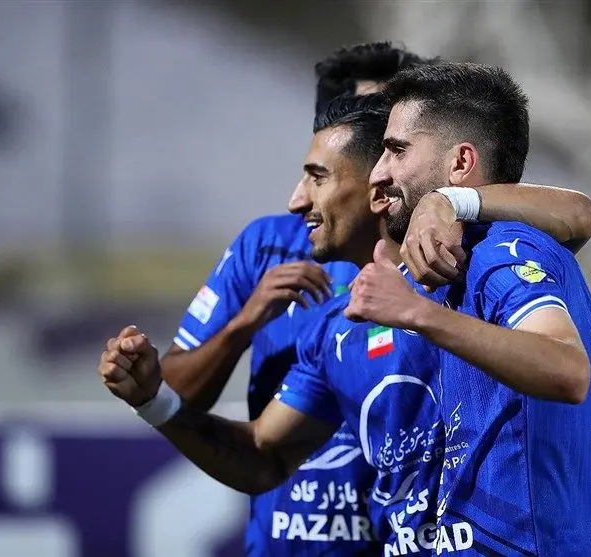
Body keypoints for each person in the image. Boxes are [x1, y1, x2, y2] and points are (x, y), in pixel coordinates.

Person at [98, 90, 591, 554]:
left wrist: (447, 210)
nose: (297, 201)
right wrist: (155, 401)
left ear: (376, 192)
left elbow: (578, 218)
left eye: (318, 177)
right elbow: (264, 454)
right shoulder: (338, 328)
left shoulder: (488, 255)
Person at [160, 42, 437, 557]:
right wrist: (242, 325)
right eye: (375, 124)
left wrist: (461, 201)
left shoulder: (450, 258)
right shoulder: (271, 251)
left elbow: (576, 218)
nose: (388, 156)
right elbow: (239, 436)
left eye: (399, 139)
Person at [346, 62, 591, 555]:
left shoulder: (501, 250)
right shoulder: (461, 257)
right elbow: (580, 214)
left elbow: (567, 369)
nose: (379, 172)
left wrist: (416, 312)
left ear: (460, 162)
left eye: (397, 150)